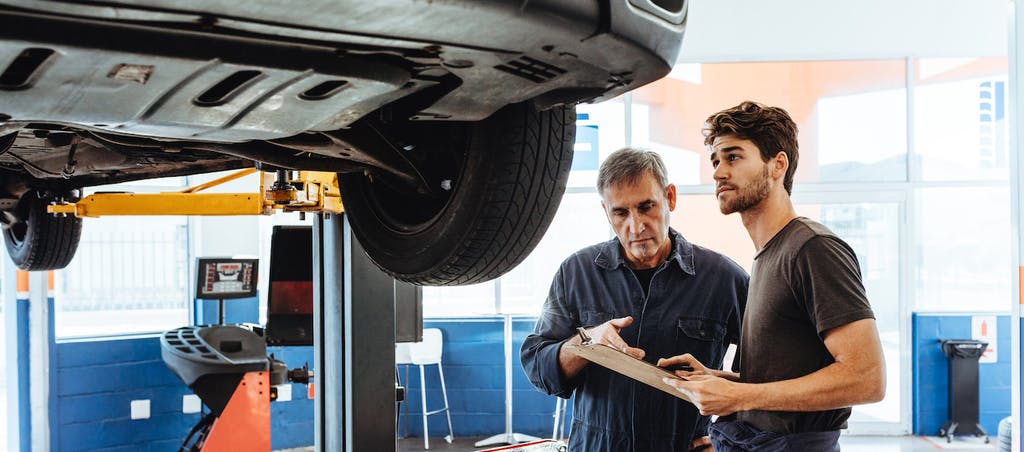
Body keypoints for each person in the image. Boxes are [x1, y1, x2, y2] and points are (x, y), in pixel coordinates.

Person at [659, 101, 886, 451]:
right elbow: (784, 382)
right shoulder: (768, 256)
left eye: (733, 157)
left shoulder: (813, 248)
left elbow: (867, 377)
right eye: (716, 161)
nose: (718, 172)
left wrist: (739, 396)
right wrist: (720, 381)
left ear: (777, 165)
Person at [521, 147, 749, 451]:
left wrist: (729, 440)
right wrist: (588, 344)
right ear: (606, 212)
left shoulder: (724, 278)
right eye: (621, 212)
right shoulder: (576, 273)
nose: (636, 226)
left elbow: (765, 384)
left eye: (646, 207)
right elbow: (539, 367)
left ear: (670, 198)